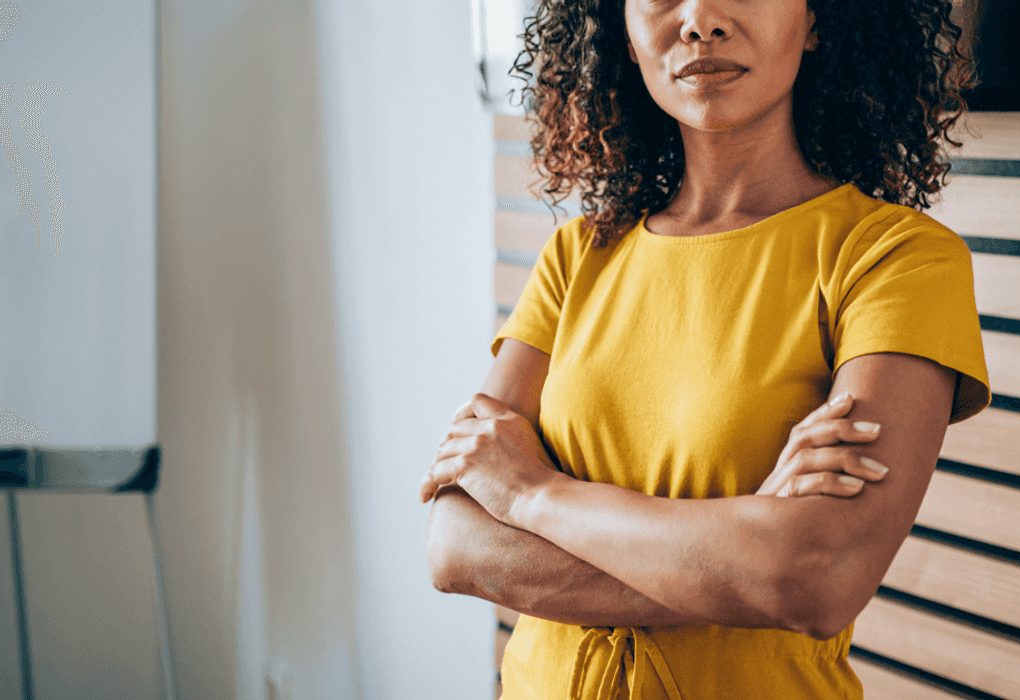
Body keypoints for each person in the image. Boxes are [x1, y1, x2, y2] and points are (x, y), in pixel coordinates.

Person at [421, 0, 990, 696]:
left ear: (817, 19)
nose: (698, 20)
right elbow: (454, 546)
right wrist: (740, 564)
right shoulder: (578, 256)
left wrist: (532, 495)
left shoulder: (893, 260)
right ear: (621, 37)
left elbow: (816, 578)